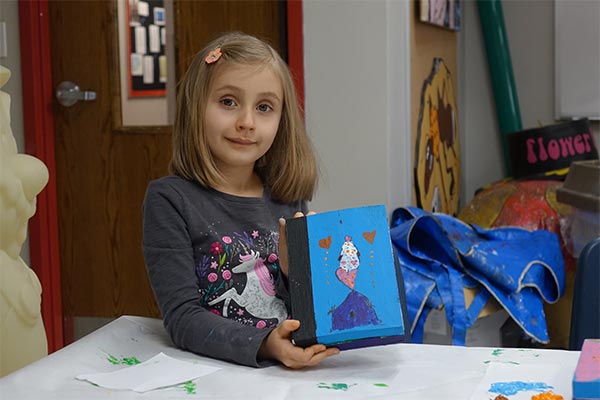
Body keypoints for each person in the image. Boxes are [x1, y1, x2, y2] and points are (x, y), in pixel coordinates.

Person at [142, 32, 339, 369]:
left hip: (290, 377)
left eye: (264, 107)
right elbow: (182, 318)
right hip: (214, 376)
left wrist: (296, 275)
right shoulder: (170, 200)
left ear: (281, 121)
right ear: (196, 107)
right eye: (228, 102)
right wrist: (266, 345)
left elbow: (304, 309)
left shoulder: (287, 197)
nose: (246, 122)